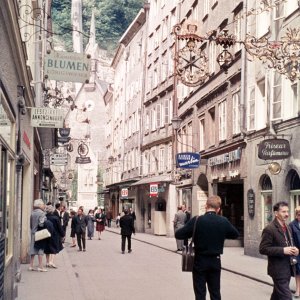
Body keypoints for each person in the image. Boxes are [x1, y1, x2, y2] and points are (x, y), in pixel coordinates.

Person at [175, 195, 239, 300]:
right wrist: (221, 233)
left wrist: (192, 233)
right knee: (215, 292)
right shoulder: (223, 221)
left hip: (199, 261)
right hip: (215, 261)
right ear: (218, 209)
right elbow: (235, 234)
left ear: (206, 206)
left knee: (200, 293)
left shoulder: (197, 220)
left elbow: (179, 234)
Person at [260, 201, 299, 300]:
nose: (286, 214)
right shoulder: (269, 229)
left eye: (287, 211)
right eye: (283, 212)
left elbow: (289, 244)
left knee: (277, 296)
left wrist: (295, 250)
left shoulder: (288, 227)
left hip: (288, 268)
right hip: (278, 270)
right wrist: (282, 250)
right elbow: (263, 249)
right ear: (276, 213)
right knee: (286, 297)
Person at [29, 199, 47, 272]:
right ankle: (40, 266)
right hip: (40, 233)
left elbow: (30, 224)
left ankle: (31, 265)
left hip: (33, 232)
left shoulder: (32, 213)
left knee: (33, 248)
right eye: (43, 204)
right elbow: (41, 224)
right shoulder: (42, 213)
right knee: (40, 249)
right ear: (39, 205)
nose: (44, 206)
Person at [289, 206, 300, 298]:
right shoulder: (292, 225)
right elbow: (290, 239)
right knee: (298, 272)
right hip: (297, 252)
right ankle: (298, 290)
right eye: (298, 214)